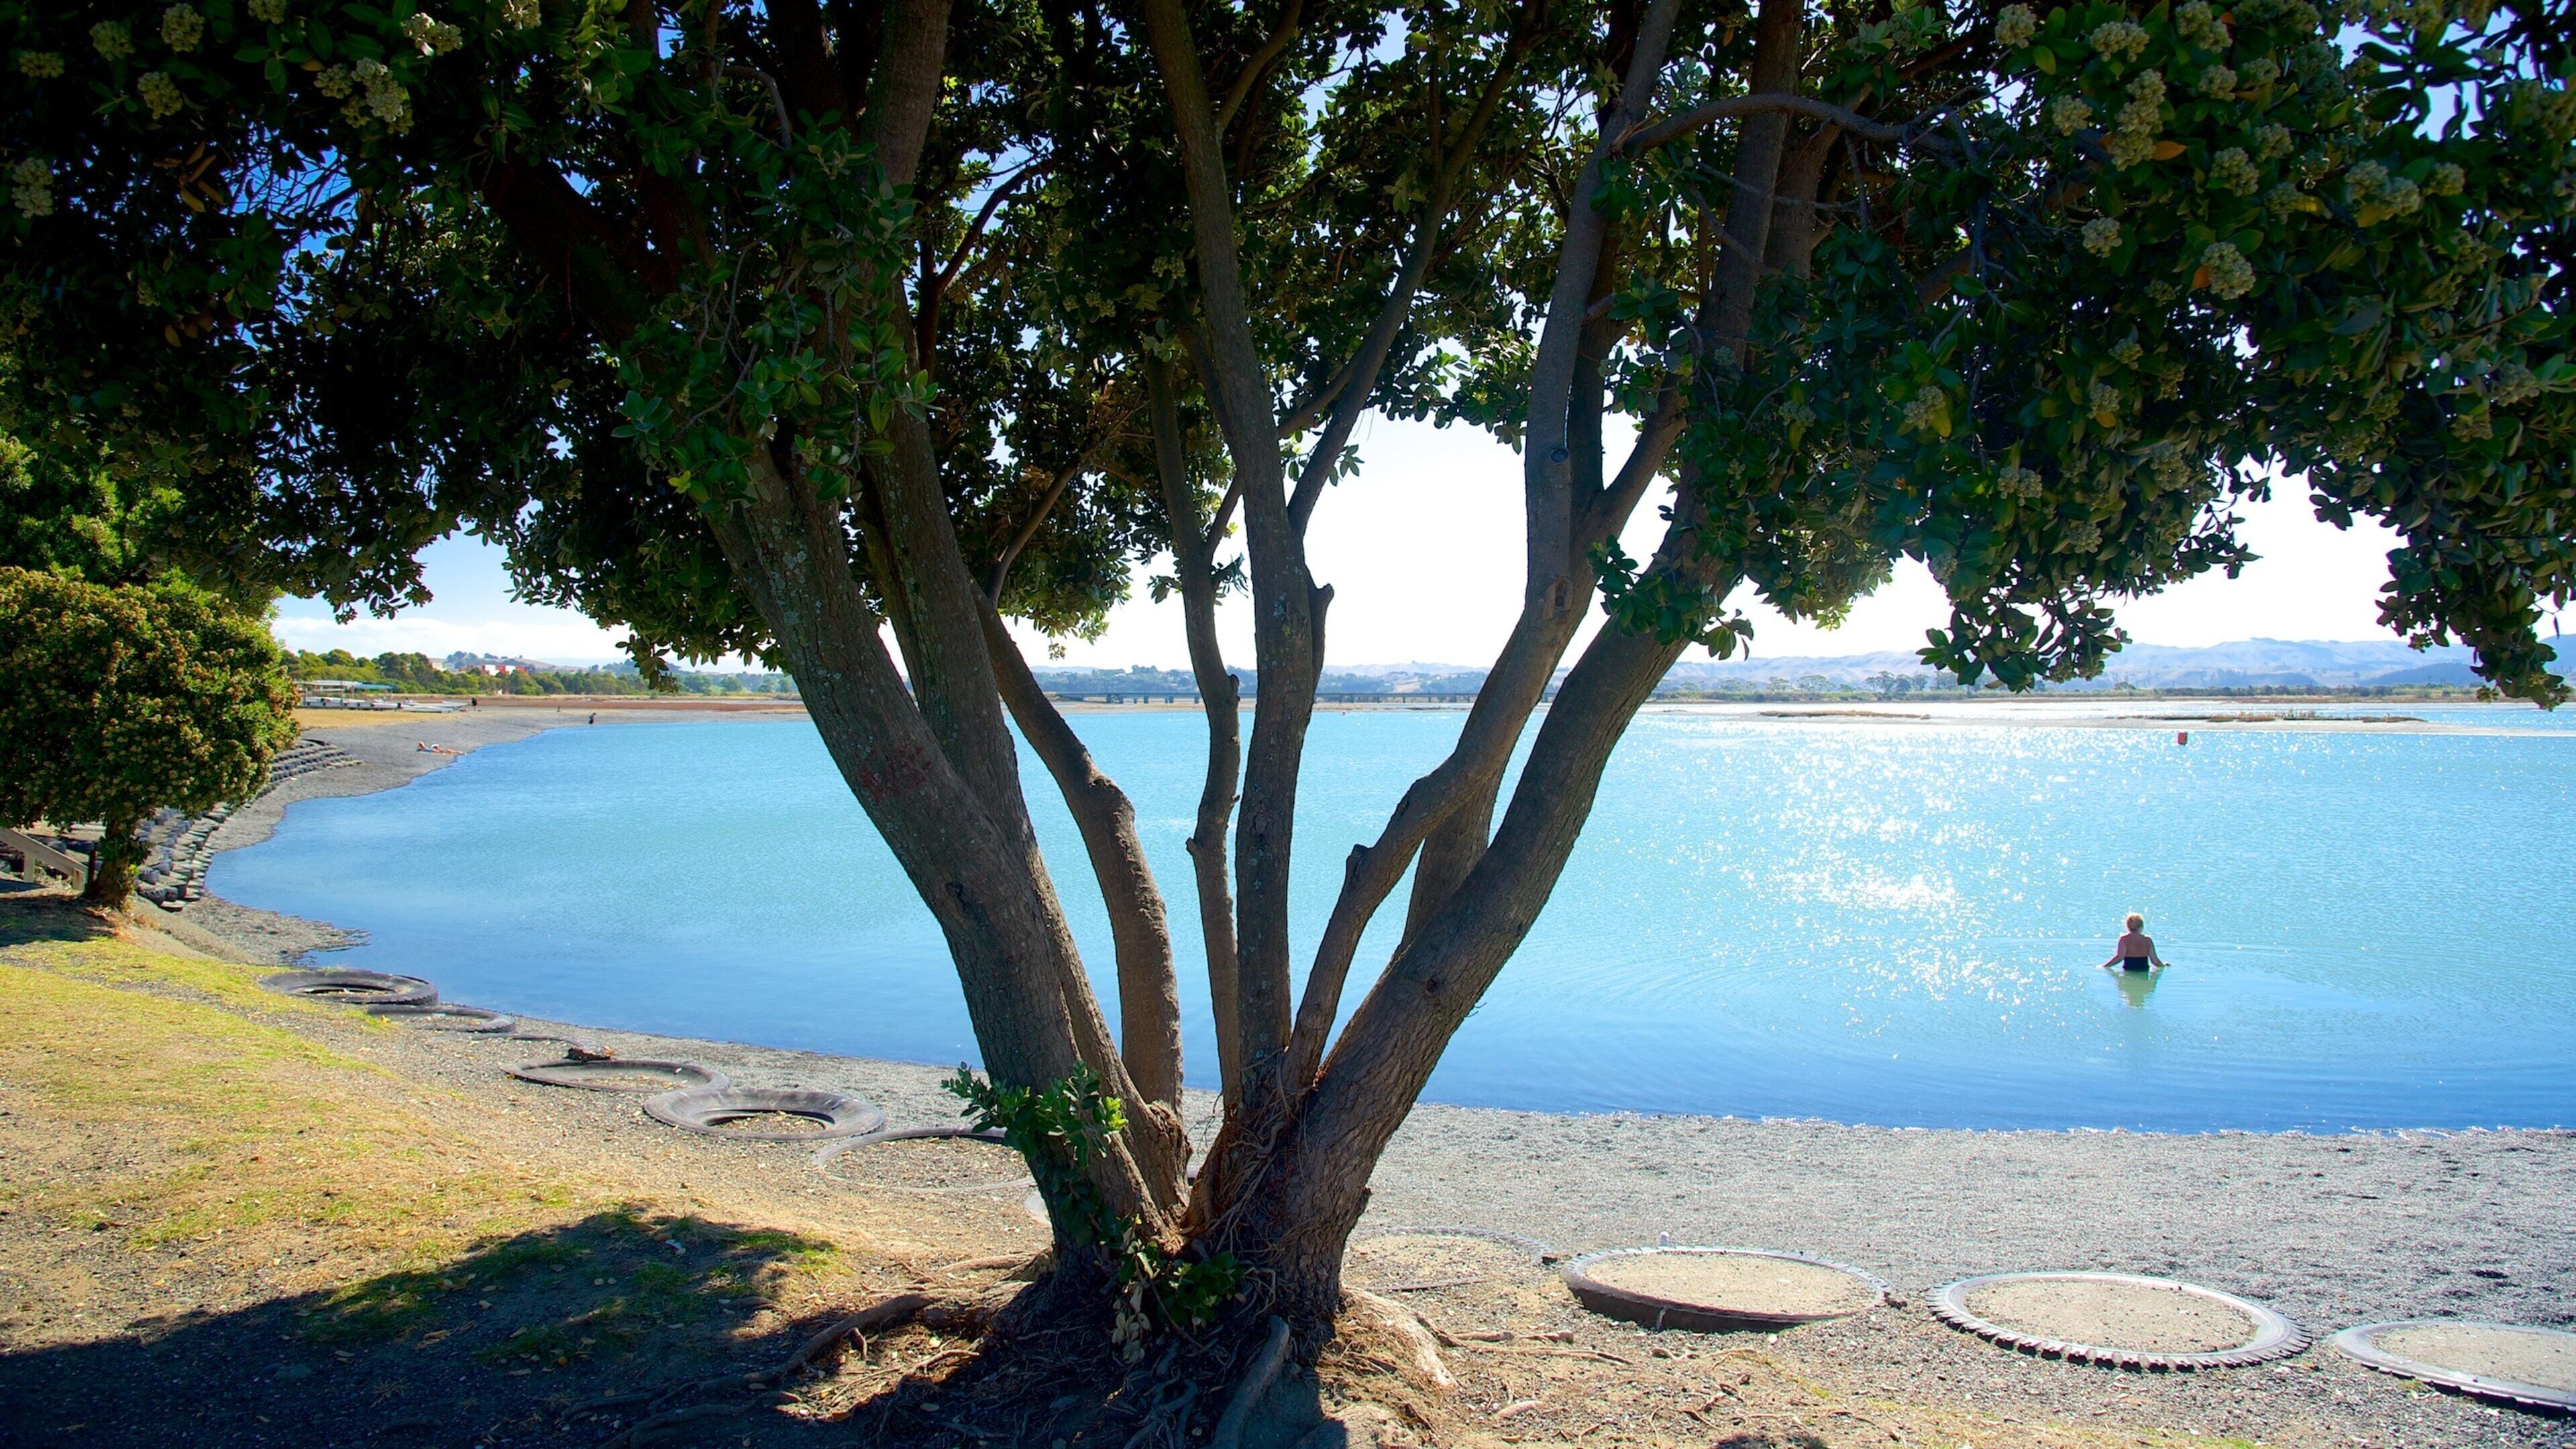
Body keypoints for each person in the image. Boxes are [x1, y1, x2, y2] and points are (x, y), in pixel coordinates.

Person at [2100, 913, 2167, 972]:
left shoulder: (2124, 940)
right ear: (2141, 927)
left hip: (2129, 971)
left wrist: (2105, 966)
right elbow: (2155, 961)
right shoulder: (2148, 940)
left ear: (2128, 927)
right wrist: (2163, 966)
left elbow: (2119, 957)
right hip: (2143, 971)